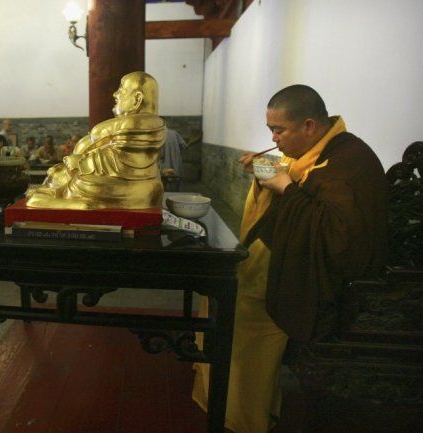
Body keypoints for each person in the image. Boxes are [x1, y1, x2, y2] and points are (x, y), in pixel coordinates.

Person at [192, 85, 389, 433]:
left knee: (241, 313)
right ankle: (224, 398)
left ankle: (243, 417)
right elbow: (298, 178)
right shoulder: (319, 149)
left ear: (309, 126)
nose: (274, 138)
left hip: (329, 280)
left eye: (278, 130)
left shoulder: (350, 160)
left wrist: (284, 186)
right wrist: (267, 169)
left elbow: (335, 235)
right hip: (289, 257)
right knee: (221, 293)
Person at [26, 71, 166, 210]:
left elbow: (119, 161)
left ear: (137, 99)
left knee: (80, 181)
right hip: (136, 185)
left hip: (130, 187)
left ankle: (70, 201)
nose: (115, 94)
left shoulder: (142, 124)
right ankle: (55, 192)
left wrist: (81, 162)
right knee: (61, 173)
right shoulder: (133, 124)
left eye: (121, 90)